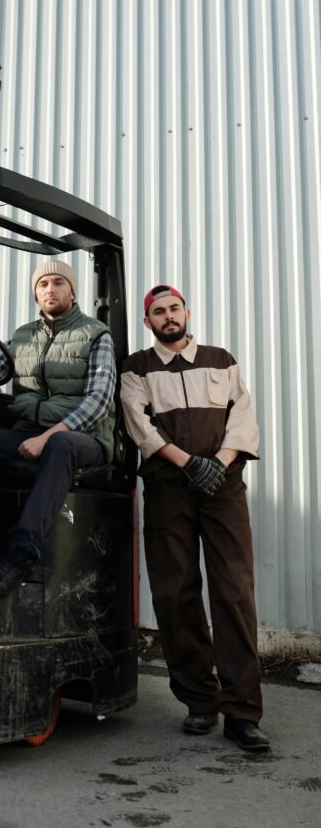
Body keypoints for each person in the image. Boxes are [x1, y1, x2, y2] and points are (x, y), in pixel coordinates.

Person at [120, 284, 269, 752]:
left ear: (187, 313)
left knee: (234, 593)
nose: (168, 316)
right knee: (175, 594)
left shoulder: (221, 360)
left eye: (174, 309)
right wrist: (189, 464)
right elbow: (139, 425)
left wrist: (218, 464)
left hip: (223, 490)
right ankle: (200, 701)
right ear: (147, 322)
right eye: (158, 312)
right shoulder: (136, 368)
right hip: (169, 490)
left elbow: (242, 417)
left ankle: (242, 714)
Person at [0, 260, 116, 597]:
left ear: (72, 291)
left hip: (84, 438)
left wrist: (46, 437)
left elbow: (99, 400)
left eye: (58, 283)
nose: (50, 289)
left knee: (60, 446)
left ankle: (20, 554)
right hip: (28, 430)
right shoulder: (22, 336)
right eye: (43, 284)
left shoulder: (96, 334)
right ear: (35, 294)